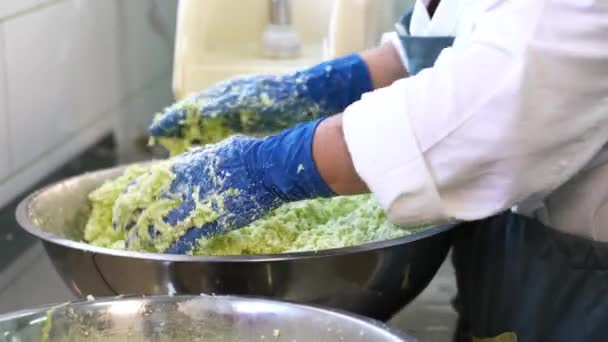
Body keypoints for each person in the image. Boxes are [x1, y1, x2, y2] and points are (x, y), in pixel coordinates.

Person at [121, 0, 608, 340]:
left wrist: (263, 167)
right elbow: (448, 39)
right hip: (520, 271)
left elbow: (485, 114)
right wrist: (318, 86)